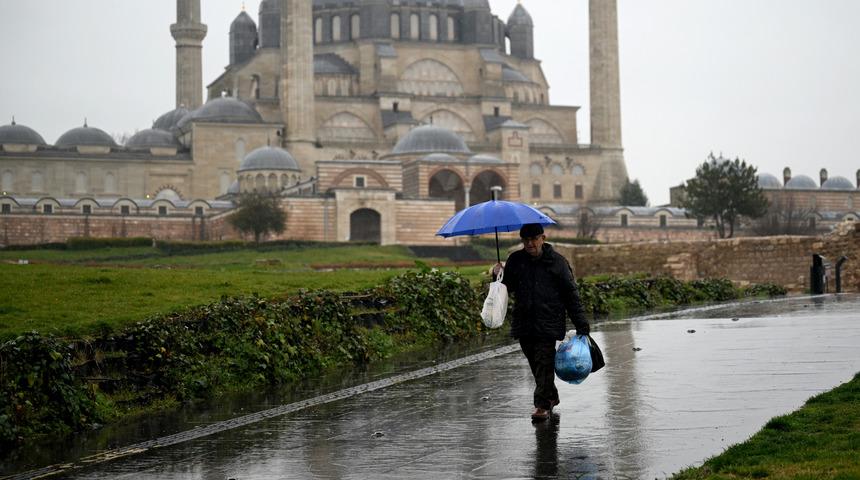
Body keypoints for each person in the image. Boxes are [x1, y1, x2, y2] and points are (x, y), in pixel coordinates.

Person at [493, 223, 590, 421]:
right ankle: (551, 396)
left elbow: (570, 295)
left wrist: (581, 324)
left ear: (542, 238)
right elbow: (506, 287)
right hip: (524, 322)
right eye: (525, 240)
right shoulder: (516, 260)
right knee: (536, 364)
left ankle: (541, 405)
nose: (530, 243)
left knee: (544, 362)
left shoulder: (557, 262)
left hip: (548, 322)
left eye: (534, 239)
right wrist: (498, 275)